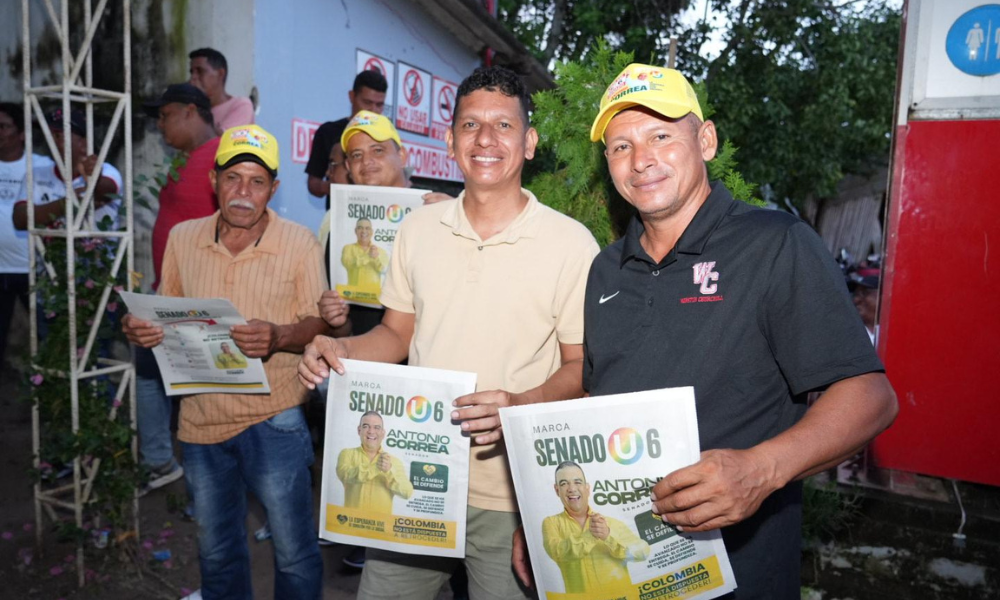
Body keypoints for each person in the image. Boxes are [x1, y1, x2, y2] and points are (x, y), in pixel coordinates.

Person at [513, 63, 897, 599]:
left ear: (706, 141)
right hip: (624, 566)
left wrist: (761, 470)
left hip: (739, 572)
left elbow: (870, 396)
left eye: (660, 136)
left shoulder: (775, 243)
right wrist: (543, 510)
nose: (641, 159)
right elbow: (595, 404)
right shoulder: (605, 269)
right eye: (621, 147)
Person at [299, 66, 599, 600]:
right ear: (449, 139)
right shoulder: (416, 230)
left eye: (504, 126)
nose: (485, 139)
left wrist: (517, 405)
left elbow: (581, 369)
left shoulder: (572, 244)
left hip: (510, 493)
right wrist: (338, 348)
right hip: (417, 475)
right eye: (470, 125)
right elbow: (395, 335)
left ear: (529, 142)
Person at [122, 124, 327, 599]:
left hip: (274, 417)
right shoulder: (183, 238)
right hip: (200, 421)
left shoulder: (299, 243)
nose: (243, 192)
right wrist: (141, 329)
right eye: (233, 178)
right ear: (214, 180)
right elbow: (165, 312)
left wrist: (279, 336)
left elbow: (319, 324)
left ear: (273, 189)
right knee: (216, 551)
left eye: (257, 182)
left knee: (294, 552)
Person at [132, 82, 221, 493]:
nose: (160, 124)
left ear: (190, 111)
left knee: (199, 394)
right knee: (150, 373)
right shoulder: (184, 159)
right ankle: (160, 461)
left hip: (195, 302)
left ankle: (207, 485)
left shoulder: (222, 157)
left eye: (165, 115)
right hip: (166, 294)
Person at [542, 461, 649, 594]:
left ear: (587, 488)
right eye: (564, 484)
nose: (572, 489)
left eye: (577, 482)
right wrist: (590, 536)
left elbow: (643, 552)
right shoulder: (551, 523)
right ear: (557, 490)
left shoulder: (612, 523)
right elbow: (557, 552)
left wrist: (608, 537)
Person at [12, 108, 122, 232]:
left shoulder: (108, 171)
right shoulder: (37, 175)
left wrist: (94, 178)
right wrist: (66, 203)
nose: (49, 141)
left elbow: (103, 192)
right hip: (47, 246)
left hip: (97, 246)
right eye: (47, 135)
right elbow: (20, 219)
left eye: (57, 136)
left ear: (84, 143)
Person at [0, 101, 49, 367]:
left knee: (49, 338)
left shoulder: (42, 166)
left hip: (36, 270)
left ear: (21, 134)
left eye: (3, 126)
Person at [304, 70, 388, 202]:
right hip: (339, 211)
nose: (373, 110)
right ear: (352, 96)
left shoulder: (387, 135)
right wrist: (338, 187)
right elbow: (313, 183)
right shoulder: (328, 131)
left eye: (379, 105)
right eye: (367, 102)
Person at [336, 411, 413, 512]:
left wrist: (389, 471)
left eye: (377, 427)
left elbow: (407, 493)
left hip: (381, 522)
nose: (371, 431)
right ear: (359, 430)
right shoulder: (347, 454)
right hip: (352, 520)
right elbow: (345, 475)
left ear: (383, 433)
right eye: (366, 426)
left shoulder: (394, 462)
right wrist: (375, 467)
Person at [188, 48, 254, 134]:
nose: (193, 77)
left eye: (200, 71)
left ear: (220, 74)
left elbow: (225, 138)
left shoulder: (241, 105)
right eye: (192, 72)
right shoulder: (192, 106)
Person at [341, 218, 388, 289]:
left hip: (373, 294)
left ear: (372, 232)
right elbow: (347, 264)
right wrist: (368, 256)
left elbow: (385, 271)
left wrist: (376, 258)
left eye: (367, 228)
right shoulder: (348, 248)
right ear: (355, 231)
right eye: (360, 228)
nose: (364, 231)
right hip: (353, 293)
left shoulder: (381, 251)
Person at [848, 268, 880, 345]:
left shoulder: (897, 334)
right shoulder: (847, 334)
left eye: (864, 293)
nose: (856, 300)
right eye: (855, 294)